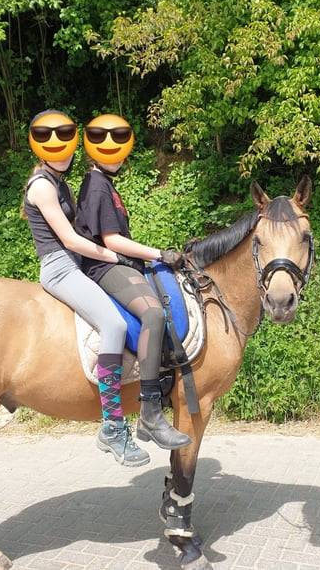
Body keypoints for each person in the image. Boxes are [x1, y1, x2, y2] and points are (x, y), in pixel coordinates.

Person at [22, 109, 150, 467]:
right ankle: (112, 423)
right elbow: (70, 240)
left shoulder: (59, 180)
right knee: (114, 325)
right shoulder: (43, 186)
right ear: (38, 147)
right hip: (61, 268)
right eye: (52, 143)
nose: (61, 151)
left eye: (65, 141)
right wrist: (114, 256)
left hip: (76, 265)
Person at [74, 113, 192, 450]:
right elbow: (111, 240)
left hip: (114, 264)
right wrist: (158, 253)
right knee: (154, 315)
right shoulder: (97, 186)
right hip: (103, 268)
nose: (117, 155)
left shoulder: (103, 184)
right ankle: (151, 413)